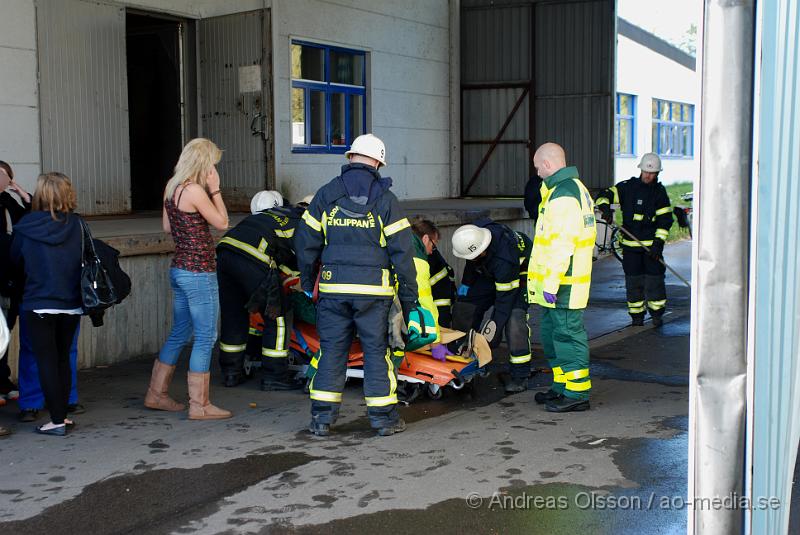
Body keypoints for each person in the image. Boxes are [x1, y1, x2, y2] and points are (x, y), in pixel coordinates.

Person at [295, 133, 434, 437]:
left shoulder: (326, 194)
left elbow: (305, 240)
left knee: (331, 351)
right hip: (374, 294)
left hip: (333, 291)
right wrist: (410, 303)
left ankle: (321, 419)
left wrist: (308, 282)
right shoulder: (386, 200)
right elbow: (403, 255)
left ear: (351, 157)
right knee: (376, 352)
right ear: (377, 162)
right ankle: (383, 420)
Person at [145, 138, 231, 420]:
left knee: (180, 331)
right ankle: (200, 405)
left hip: (179, 269)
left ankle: (156, 394)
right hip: (199, 272)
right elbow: (222, 223)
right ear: (204, 164)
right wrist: (216, 190)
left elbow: (167, 227)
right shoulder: (195, 190)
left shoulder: (172, 187)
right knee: (206, 336)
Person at [10, 172, 83, 436]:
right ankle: (62, 415)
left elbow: (15, 262)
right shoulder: (77, 224)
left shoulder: (26, 226)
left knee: (46, 362)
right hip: (72, 303)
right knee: (63, 360)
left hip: (38, 303)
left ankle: (56, 420)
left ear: (40, 194)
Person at [527, 142, 596, 412]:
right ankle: (562, 386)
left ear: (546, 164)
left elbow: (561, 245)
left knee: (567, 335)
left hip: (563, 284)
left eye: (537, 168)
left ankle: (577, 394)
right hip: (556, 284)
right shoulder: (562, 191)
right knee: (552, 335)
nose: (537, 174)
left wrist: (552, 283)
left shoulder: (564, 196)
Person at [216, 190, 304, 390]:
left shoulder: (266, 217)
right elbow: (302, 259)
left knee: (234, 315)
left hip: (225, 251)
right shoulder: (301, 222)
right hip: (252, 257)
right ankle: (275, 376)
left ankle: (231, 372)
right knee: (278, 314)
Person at [451, 218, 533, 393]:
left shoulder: (505, 258)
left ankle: (520, 375)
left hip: (519, 274)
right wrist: (464, 290)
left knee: (513, 320)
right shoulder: (474, 234)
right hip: (489, 271)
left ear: (482, 250)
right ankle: (462, 358)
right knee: (465, 308)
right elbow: (471, 265)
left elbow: (504, 301)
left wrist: (492, 333)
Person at [596, 153, 673, 327]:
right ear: (641, 169)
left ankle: (657, 315)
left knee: (655, 282)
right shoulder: (627, 187)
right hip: (631, 249)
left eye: (652, 173)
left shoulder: (659, 193)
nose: (648, 175)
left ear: (658, 174)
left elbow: (665, 220)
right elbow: (605, 194)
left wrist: (658, 243)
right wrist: (604, 208)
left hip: (651, 249)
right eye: (646, 171)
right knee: (633, 283)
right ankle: (637, 317)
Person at [0, 161, 30, 402]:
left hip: (12, 278)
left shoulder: (10, 202)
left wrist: (21, 193)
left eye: (4, 176)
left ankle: (3, 381)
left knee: (5, 333)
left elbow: (31, 219)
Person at [411, 219, 456, 329]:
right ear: (425, 239)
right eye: (433, 245)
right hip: (434, 309)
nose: (432, 250)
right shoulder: (423, 262)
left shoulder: (400, 249)